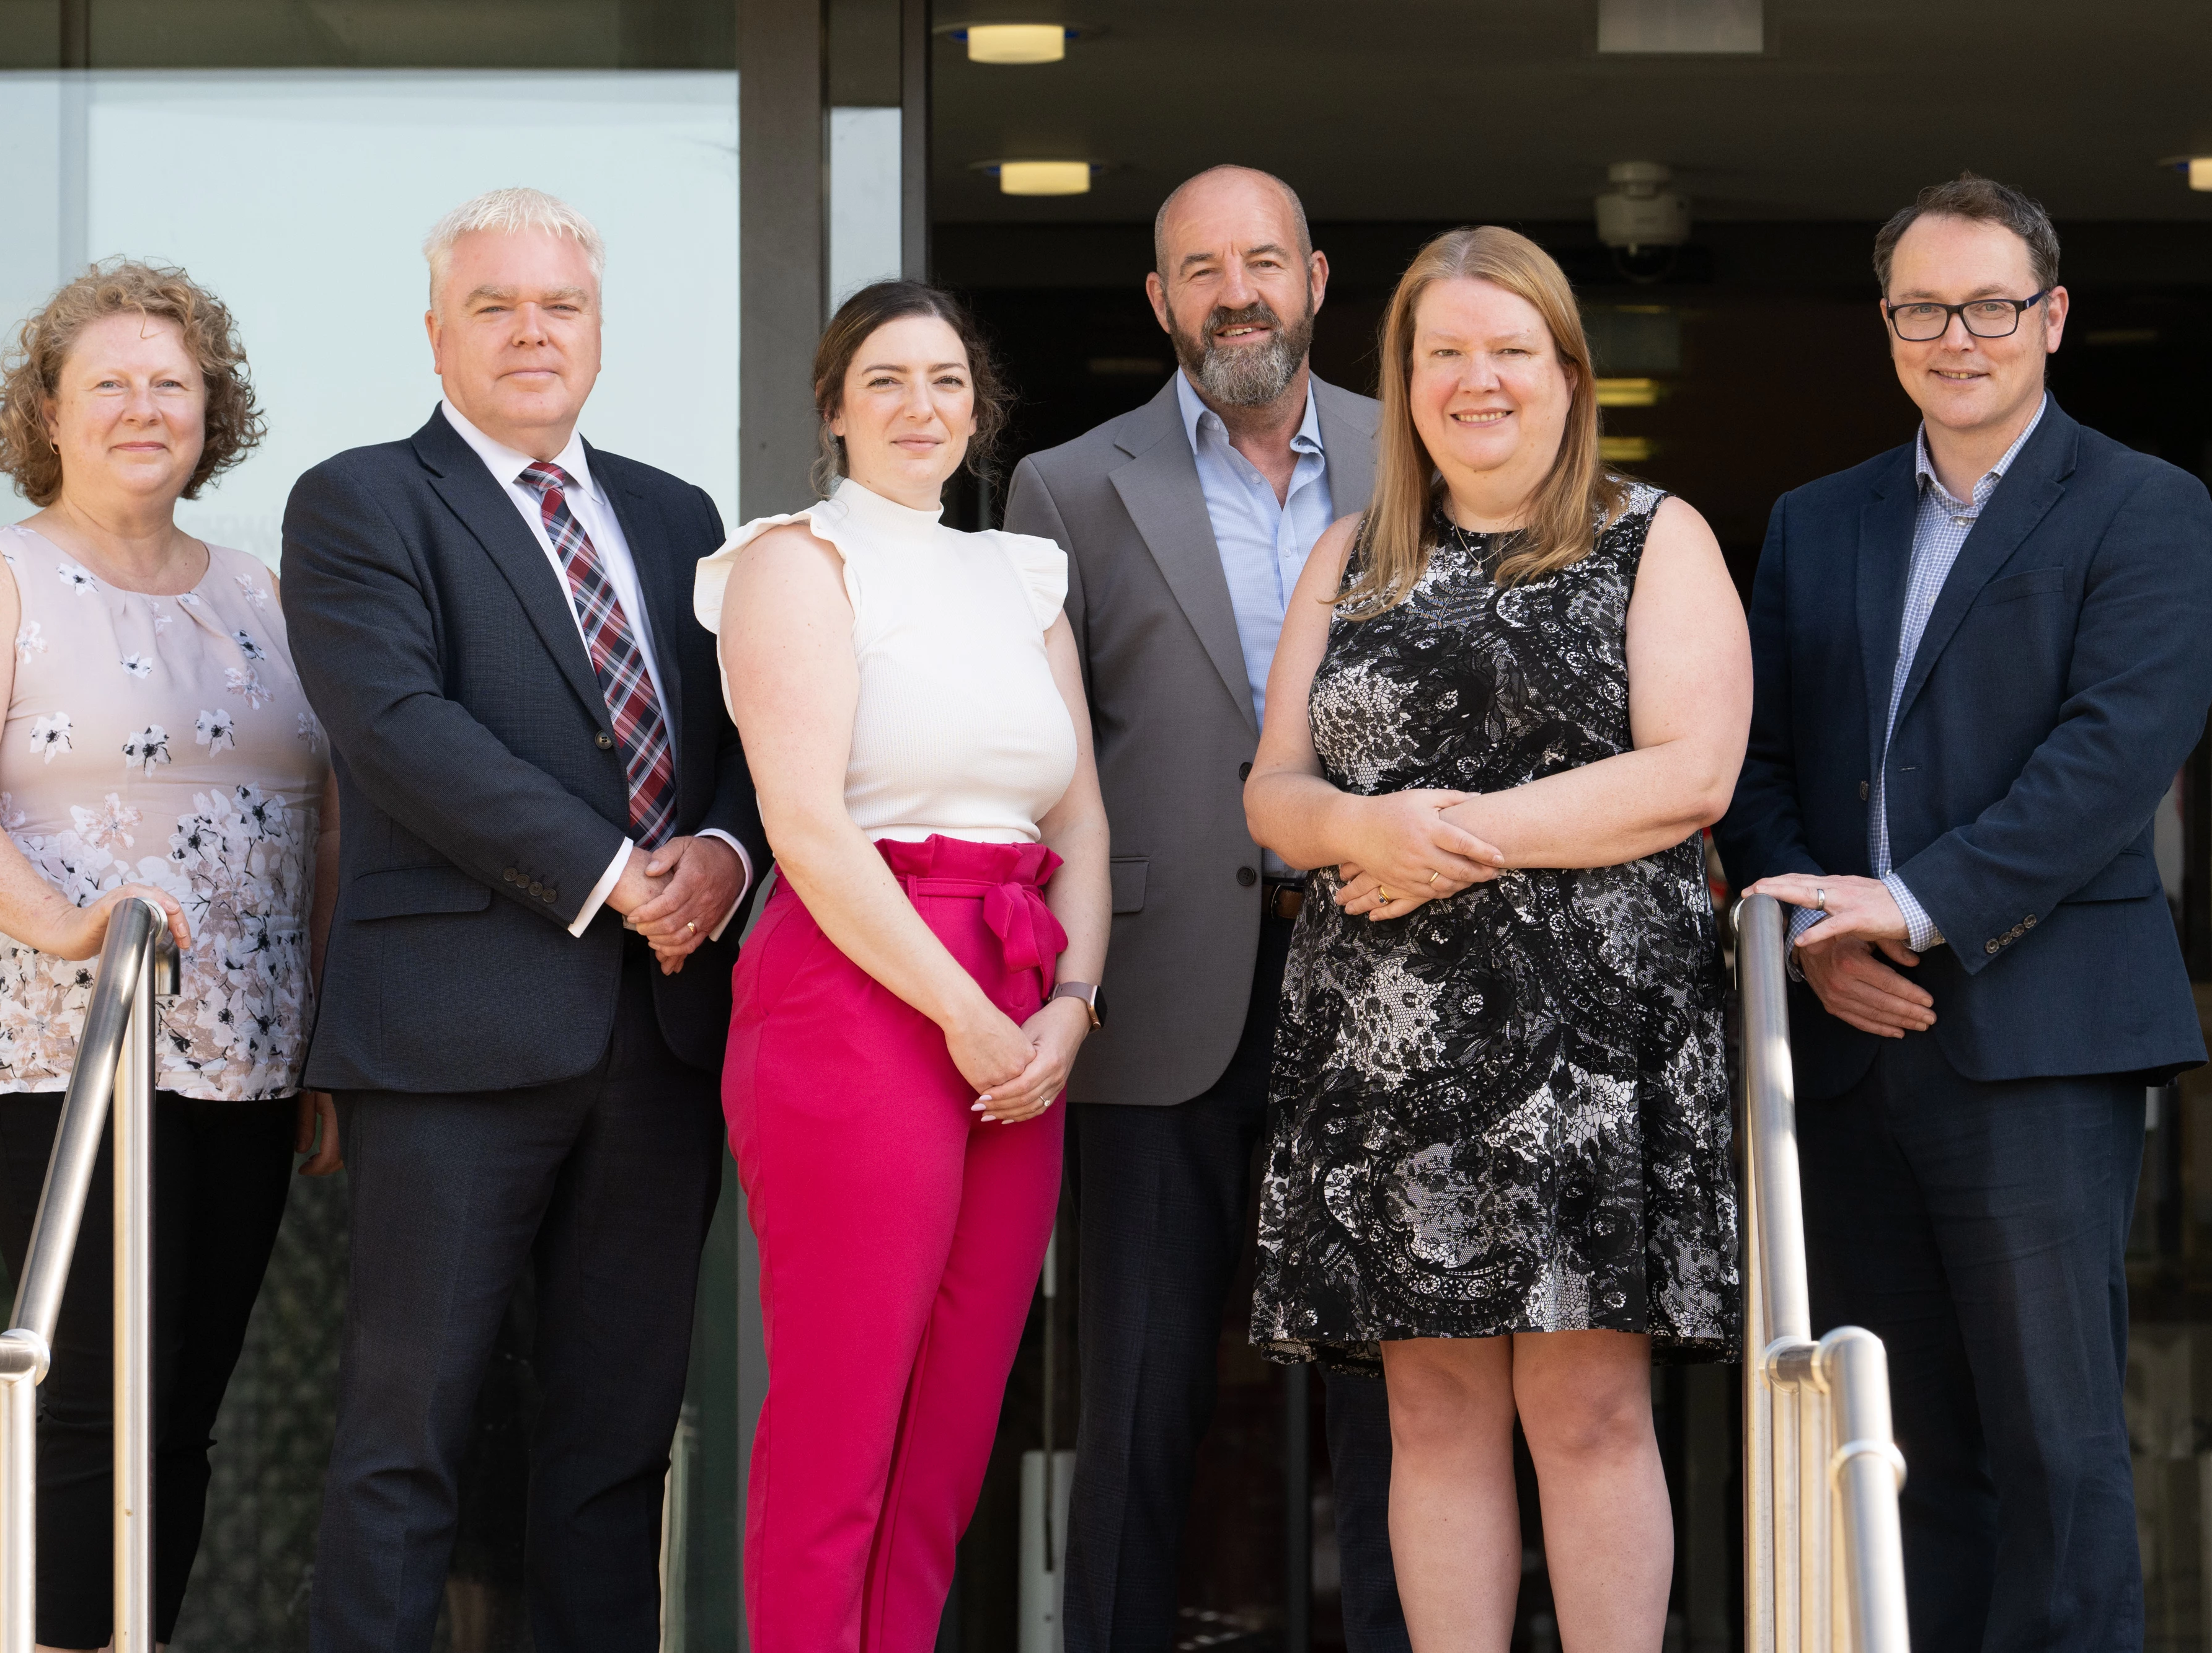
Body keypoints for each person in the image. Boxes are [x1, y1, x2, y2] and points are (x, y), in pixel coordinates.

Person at [1716, 174, 2212, 1651]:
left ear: (2048, 317)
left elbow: (2109, 755)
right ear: (1886, 328)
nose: (1959, 336)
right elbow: (1747, 765)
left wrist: (1914, 905)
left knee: (2053, 1456)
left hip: (2035, 1042)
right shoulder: (1816, 524)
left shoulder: (2142, 507)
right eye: (1923, 308)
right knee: (1892, 1450)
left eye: (1990, 304)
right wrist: (1827, 945)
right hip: (1851, 1049)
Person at [1245, 225, 1746, 1649]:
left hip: (1589, 1048)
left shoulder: (1656, 535)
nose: (1477, 379)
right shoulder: (1349, 552)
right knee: (1428, 1408)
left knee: (1585, 1409)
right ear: (1401, 381)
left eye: (1508, 349)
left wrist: (1434, 835)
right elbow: (1273, 788)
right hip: (1385, 1050)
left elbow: (1691, 776)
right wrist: (1355, 831)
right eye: (1442, 352)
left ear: (1568, 373)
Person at [280, 187, 766, 1652]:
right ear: (437, 332)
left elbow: (747, 726)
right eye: (494, 306)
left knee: (615, 1449)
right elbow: (400, 731)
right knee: (403, 1437)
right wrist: (623, 876)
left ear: (600, 331)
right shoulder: (359, 501)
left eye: (560, 305)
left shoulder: (680, 515)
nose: (531, 332)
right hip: (455, 1031)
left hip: (661, 1034)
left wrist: (728, 860)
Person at [0, 258, 338, 1652]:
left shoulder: (263, 593)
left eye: (172, 384)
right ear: (48, 410)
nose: (144, 408)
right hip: (60, 1045)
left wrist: (326, 1046)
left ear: (214, 409)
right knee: (89, 1396)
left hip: (247, 1059)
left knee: (183, 1406)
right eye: (110, 385)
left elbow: (320, 830)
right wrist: (66, 924)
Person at [1002, 163, 1410, 1652]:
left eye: (1260, 260)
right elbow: (1048, 749)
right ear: (1161, 301)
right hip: (1156, 989)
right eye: (1197, 268)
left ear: (1314, 279)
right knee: (1137, 1390)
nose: (1233, 290)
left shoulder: (1420, 442)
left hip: (1388, 982)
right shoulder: (1064, 481)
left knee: (1394, 1401)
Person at [695, 278, 1108, 1652]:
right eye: (884, 380)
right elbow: (805, 821)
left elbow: (1079, 820)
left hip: (1018, 982)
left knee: (947, 1433)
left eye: (943, 379)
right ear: (832, 409)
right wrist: (965, 1018)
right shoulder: (792, 562)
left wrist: (1066, 1008)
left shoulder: (1021, 576)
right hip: (856, 985)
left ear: (975, 409)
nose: (918, 406)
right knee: (842, 1417)